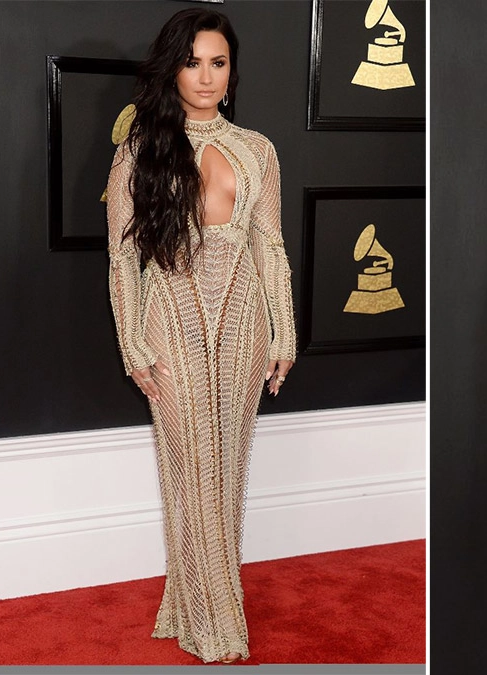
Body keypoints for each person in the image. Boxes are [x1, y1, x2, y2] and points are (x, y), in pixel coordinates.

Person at [104, 7, 295, 664]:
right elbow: (122, 258)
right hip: (169, 323)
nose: (207, 77)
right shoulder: (139, 151)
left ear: (232, 70)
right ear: (173, 69)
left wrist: (285, 335)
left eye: (219, 62)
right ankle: (215, 619)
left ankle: (194, 605)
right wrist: (132, 343)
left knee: (227, 468)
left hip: (244, 323)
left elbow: (270, 247)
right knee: (191, 467)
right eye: (193, 63)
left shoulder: (258, 149)